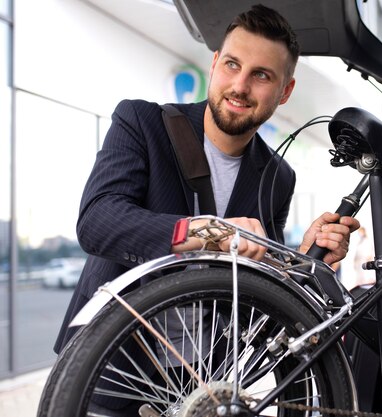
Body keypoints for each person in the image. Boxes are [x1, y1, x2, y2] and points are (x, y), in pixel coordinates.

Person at [54, 4, 359, 354]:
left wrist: (301, 261)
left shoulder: (278, 176)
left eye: (261, 75)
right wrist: (209, 233)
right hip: (109, 364)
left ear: (285, 92)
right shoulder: (141, 122)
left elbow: (257, 285)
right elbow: (98, 221)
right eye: (232, 64)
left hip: (206, 379)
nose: (240, 86)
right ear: (214, 64)